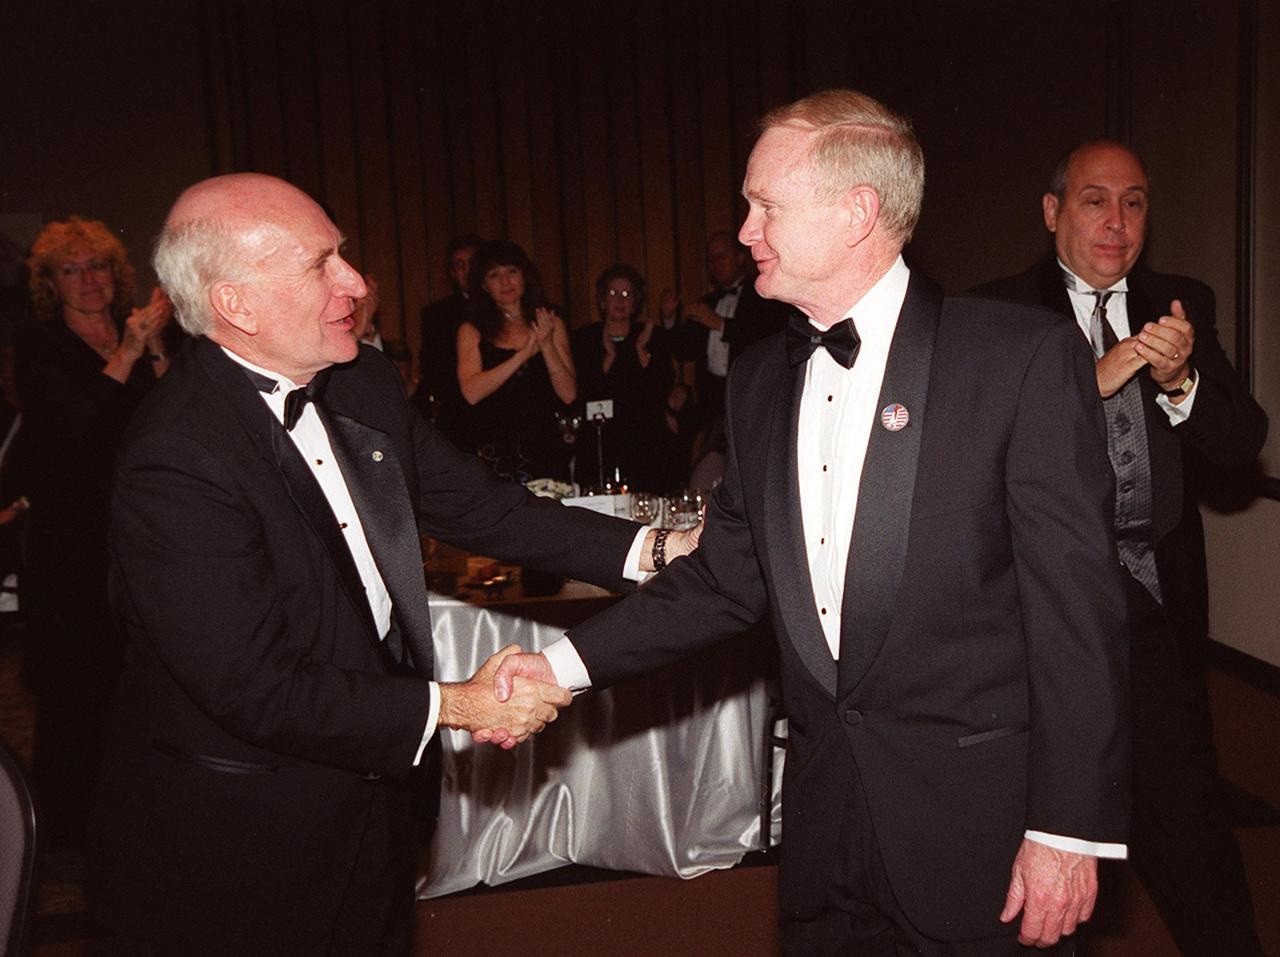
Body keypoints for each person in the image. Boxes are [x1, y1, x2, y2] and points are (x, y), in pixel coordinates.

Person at [492, 90, 1131, 954]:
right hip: (825, 829)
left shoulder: (1016, 358)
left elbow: (1077, 615)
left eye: (764, 206)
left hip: (976, 829)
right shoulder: (760, 378)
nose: (746, 229)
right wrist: (558, 668)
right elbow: (725, 579)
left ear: (857, 211)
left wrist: (1066, 829)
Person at [87, 173, 696, 955]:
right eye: (321, 264)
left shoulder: (361, 380)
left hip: (375, 793)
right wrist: (457, 705)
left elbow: (483, 505)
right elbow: (255, 686)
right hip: (242, 834)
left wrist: (656, 551)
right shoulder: (175, 456)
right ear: (235, 304)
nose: (357, 282)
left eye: (343, 254)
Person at [972, 140, 1268, 957]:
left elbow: (1243, 441)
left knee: (1187, 814)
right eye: (1095, 200)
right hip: (1040, 606)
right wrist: (1084, 379)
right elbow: (969, 464)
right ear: (1052, 211)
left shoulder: (1179, 305)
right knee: (1038, 815)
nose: (1116, 221)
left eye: (1133, 202)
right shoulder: (994, 313)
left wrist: (1182, 385)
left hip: (1154, 600)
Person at [18, 216, 172, 851]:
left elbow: (171, 413)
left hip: (135, 529)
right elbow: (73, 436)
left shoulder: (139, 328)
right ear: (51, 284)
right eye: (72, 270)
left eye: (99, 266)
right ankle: (63, 835)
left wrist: (156, 347)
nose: (89, 280)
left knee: (139, 680)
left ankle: (132, 818)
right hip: (72, 538)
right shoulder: (41, 345)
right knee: (77, 687)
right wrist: (130, 352)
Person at [456, 239, 576, 481]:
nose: (505, 281)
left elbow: (568, 394)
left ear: (525, 276)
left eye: (512, 271)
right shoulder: (472, 329)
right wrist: (523, 354)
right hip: (494, 447)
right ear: (484, 285)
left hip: (544, 444)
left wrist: (546, 345)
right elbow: (471, 392)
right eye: (494, 275)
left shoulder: (550, 321)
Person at [571, 263, 676, 492]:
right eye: (613, 293)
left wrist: (641, 352)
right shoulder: (584, 338)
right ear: (601, 300)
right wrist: (608, 358)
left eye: (627, 294)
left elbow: (662, 388)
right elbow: (580, 392)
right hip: (599, 436)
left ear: (636, 302)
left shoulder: (650, 336)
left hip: (643, 437)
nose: (620, 300)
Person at [415, 233, 481, 439]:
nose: (467, 270)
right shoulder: (437, 314)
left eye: (472, 262)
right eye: (460, 265)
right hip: (458, 413)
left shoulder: (508, 306)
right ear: (452, 273)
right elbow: (431, 367)